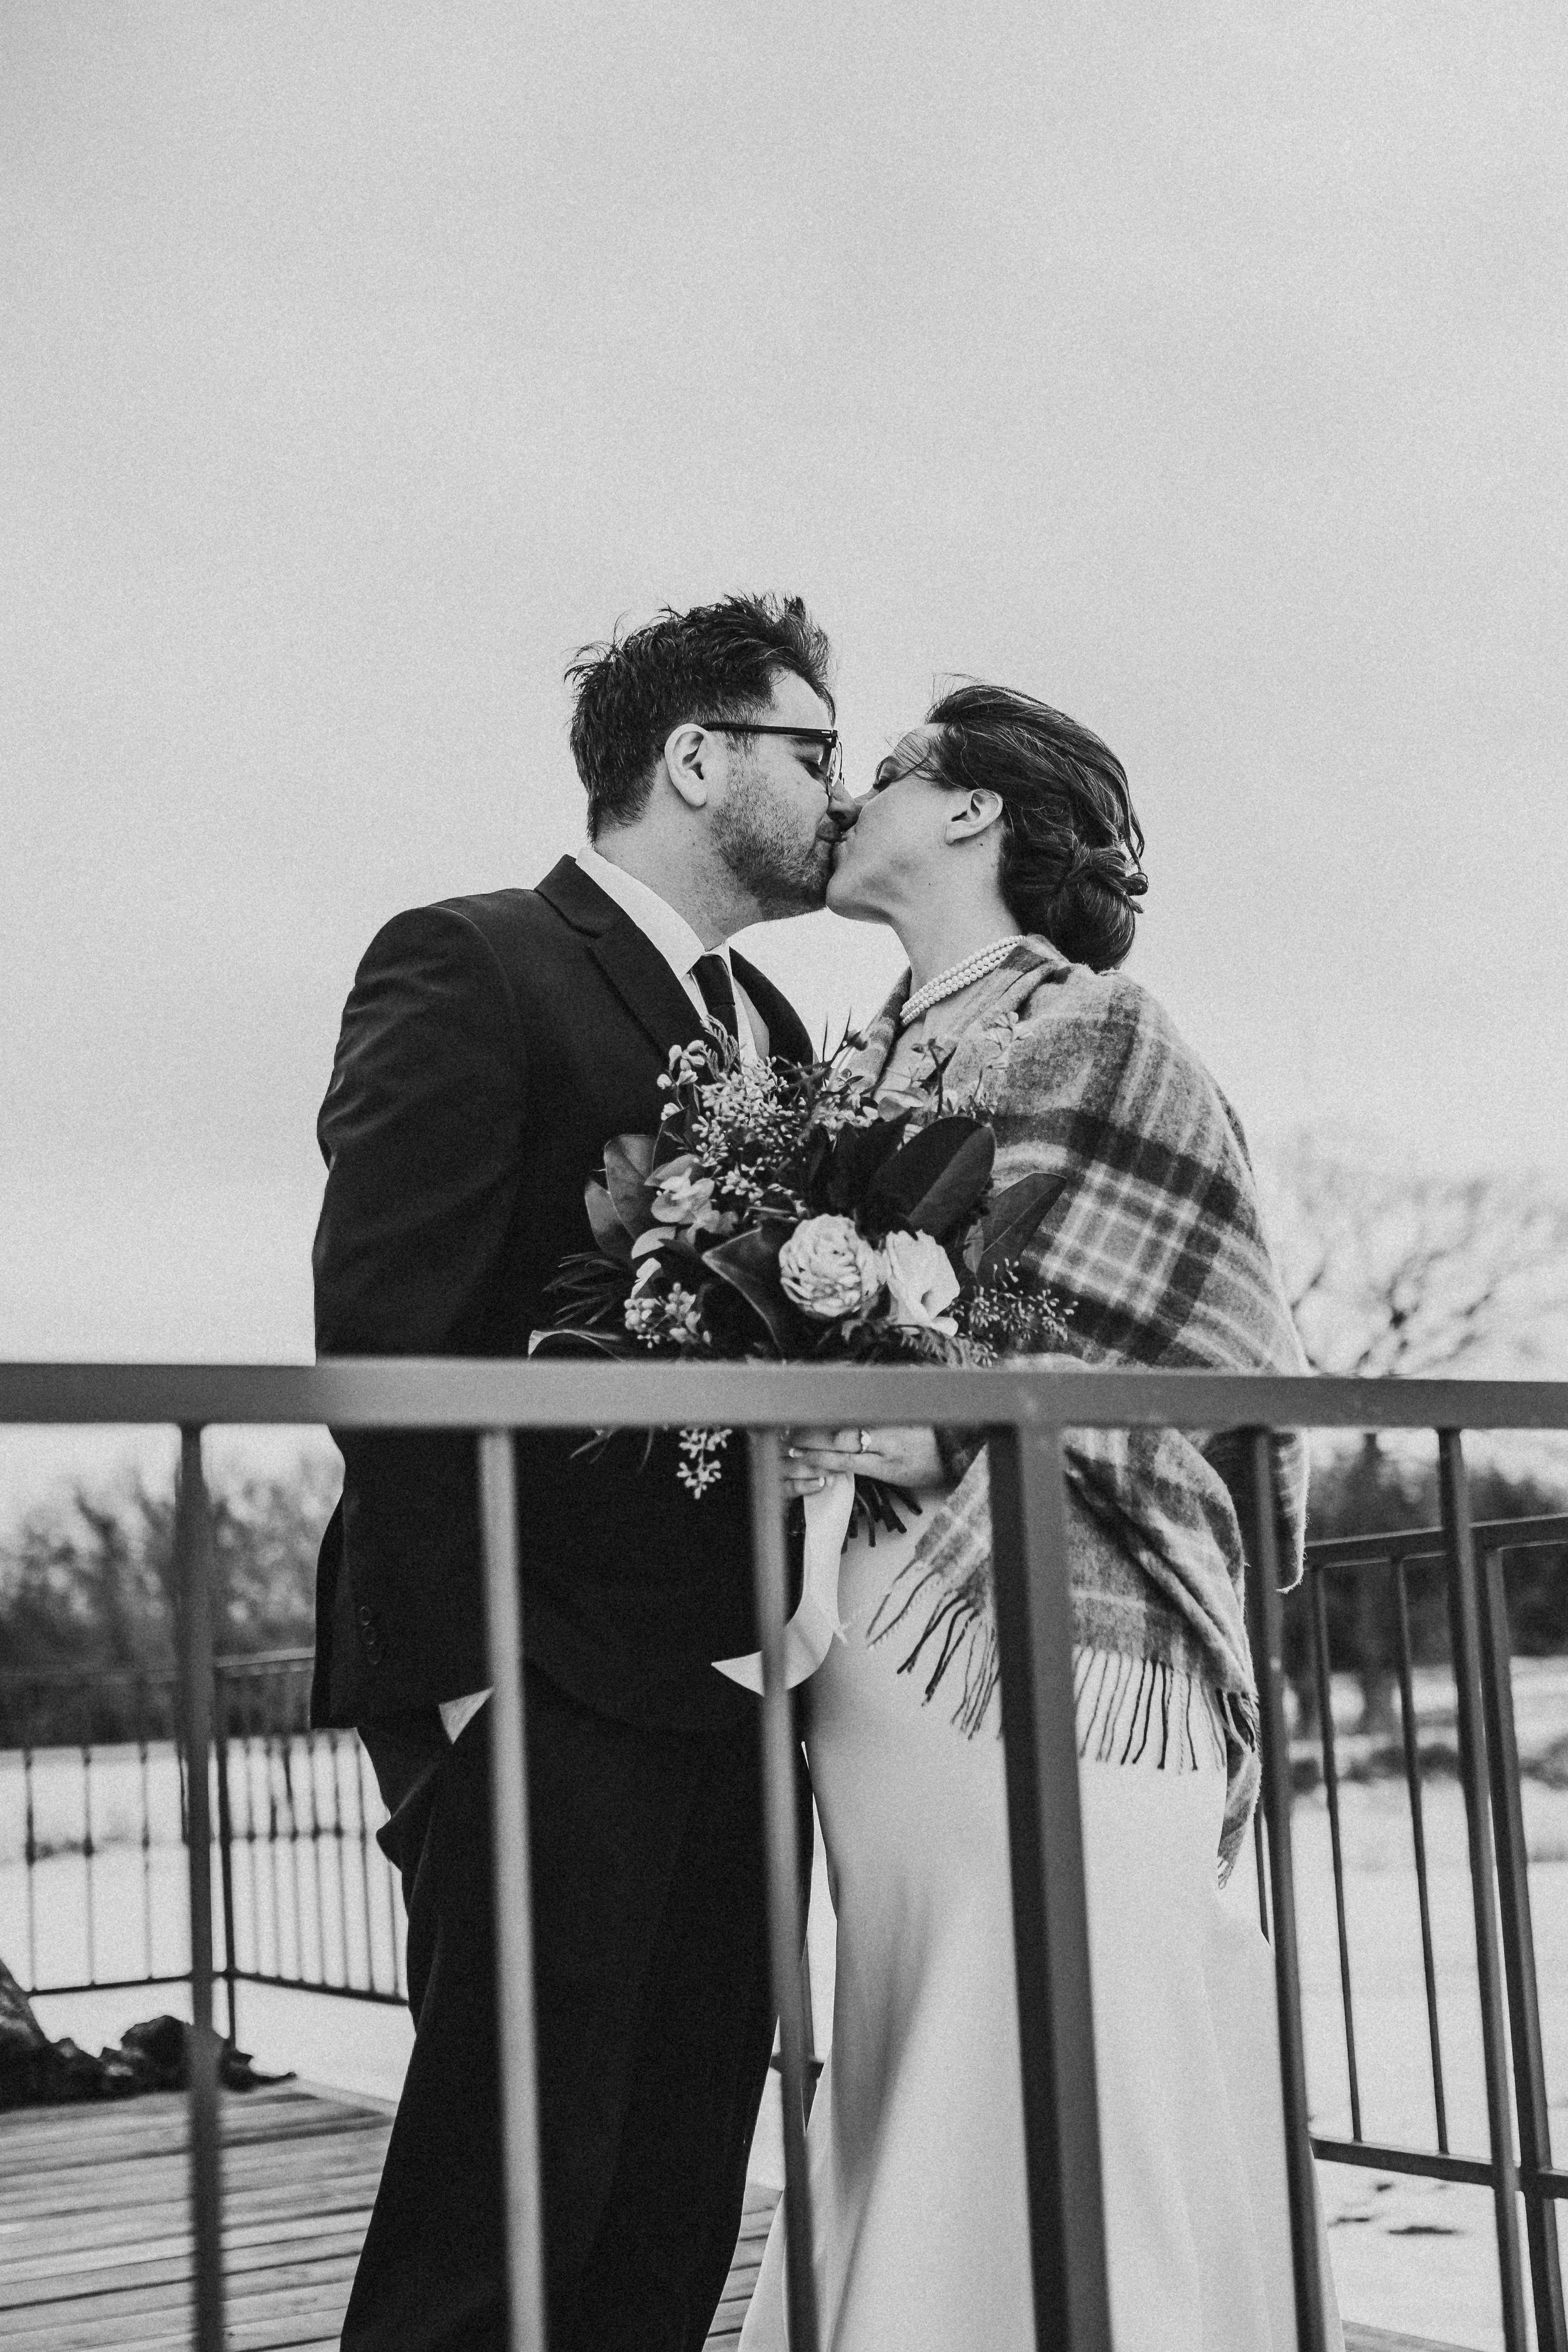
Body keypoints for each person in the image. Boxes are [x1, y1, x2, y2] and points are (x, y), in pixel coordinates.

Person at [741, 684, 1344, 2350]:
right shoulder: (834, 1059)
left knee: (1082, 2021)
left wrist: (906, 1341)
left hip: (1071, 1619)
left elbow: (1212, 1345)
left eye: (885, 771)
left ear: (968, 811)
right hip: (873, 1631)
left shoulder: (1106, 1027)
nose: (849, 795)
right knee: (918, 2019)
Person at [310, 594, 854, 2352]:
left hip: (725, 1683)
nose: (838, 791)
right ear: (695, 758)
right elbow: (384, 1328)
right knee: (504, 2205)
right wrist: (478, 1688)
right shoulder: (468, 959)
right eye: (814, 747)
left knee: (678, 2181)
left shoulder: (771, 1016)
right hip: (535, 1674)